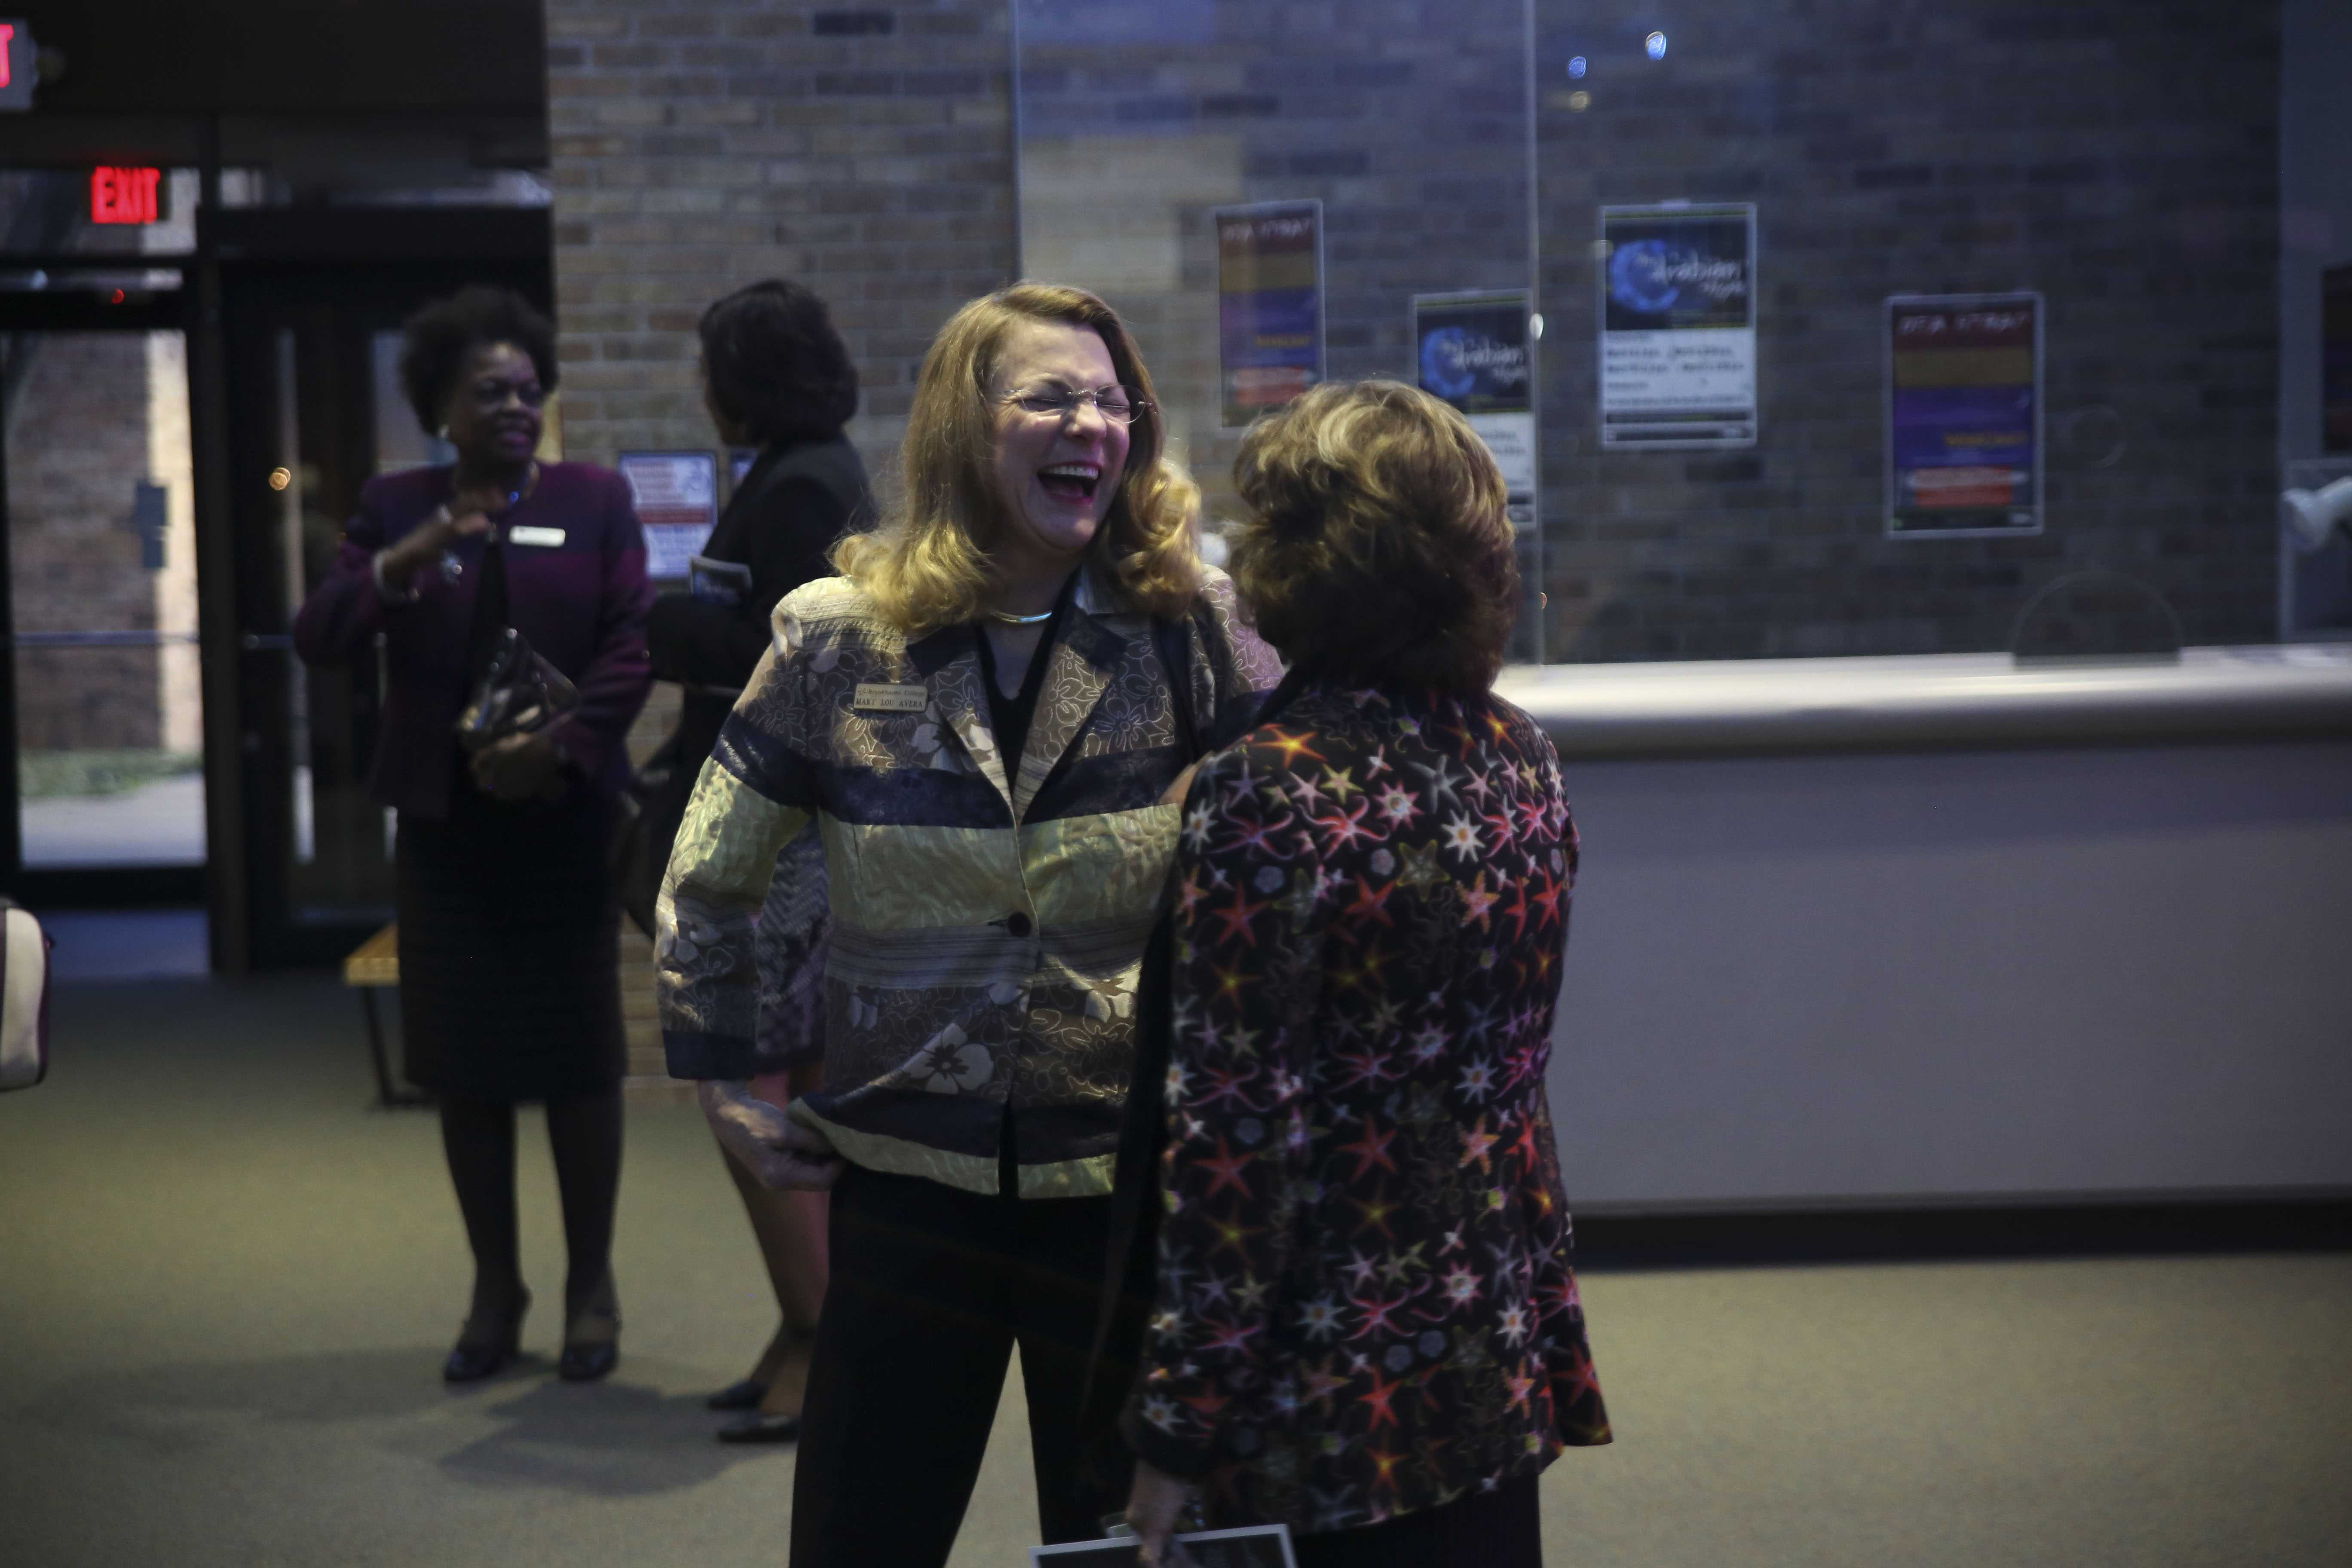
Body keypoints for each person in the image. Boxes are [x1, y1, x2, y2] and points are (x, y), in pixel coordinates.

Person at [656, 282, 1280, 1566]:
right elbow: (714, 872)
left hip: (1118, 1188)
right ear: (962, 425)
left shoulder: (1194, 632)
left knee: (1126, 1546)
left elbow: (1295, 848)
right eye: (1052, 396)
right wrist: (720, 1080)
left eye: (1113, 402)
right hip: (899, 1180)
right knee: (860, 1539)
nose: (1091, 425)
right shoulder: (840, 643)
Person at [1115, 381, 1611, 1567]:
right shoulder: (1520, 756)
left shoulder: (1270, 789)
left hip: (1325, 1401)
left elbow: (1239, 1144)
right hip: (1490, 1359)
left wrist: (1177, 1427)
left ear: (1310, 557)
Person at [294, 285, 653, 1385]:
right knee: (465, 1070)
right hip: (449, 835)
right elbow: (321, 634)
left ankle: (591, 1286)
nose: (515, 403)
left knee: (582, 1063)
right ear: (439, 408)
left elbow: (630, 647)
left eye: (527, 387)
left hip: (563, 824)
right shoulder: (395, 502)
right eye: (488, 390)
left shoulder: (593, 498)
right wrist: (410, 555)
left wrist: (564, 749)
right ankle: (496, 1291)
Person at [643, 279, 871, 1443]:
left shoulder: (808, 482)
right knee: (763, 1086)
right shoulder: (798, 471)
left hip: (778, 845)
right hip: (778, 834)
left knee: (743, 1090)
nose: (703, 393)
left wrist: (666, 627)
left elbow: (798, 659)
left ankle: (822, 1337)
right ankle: (802, 1326)